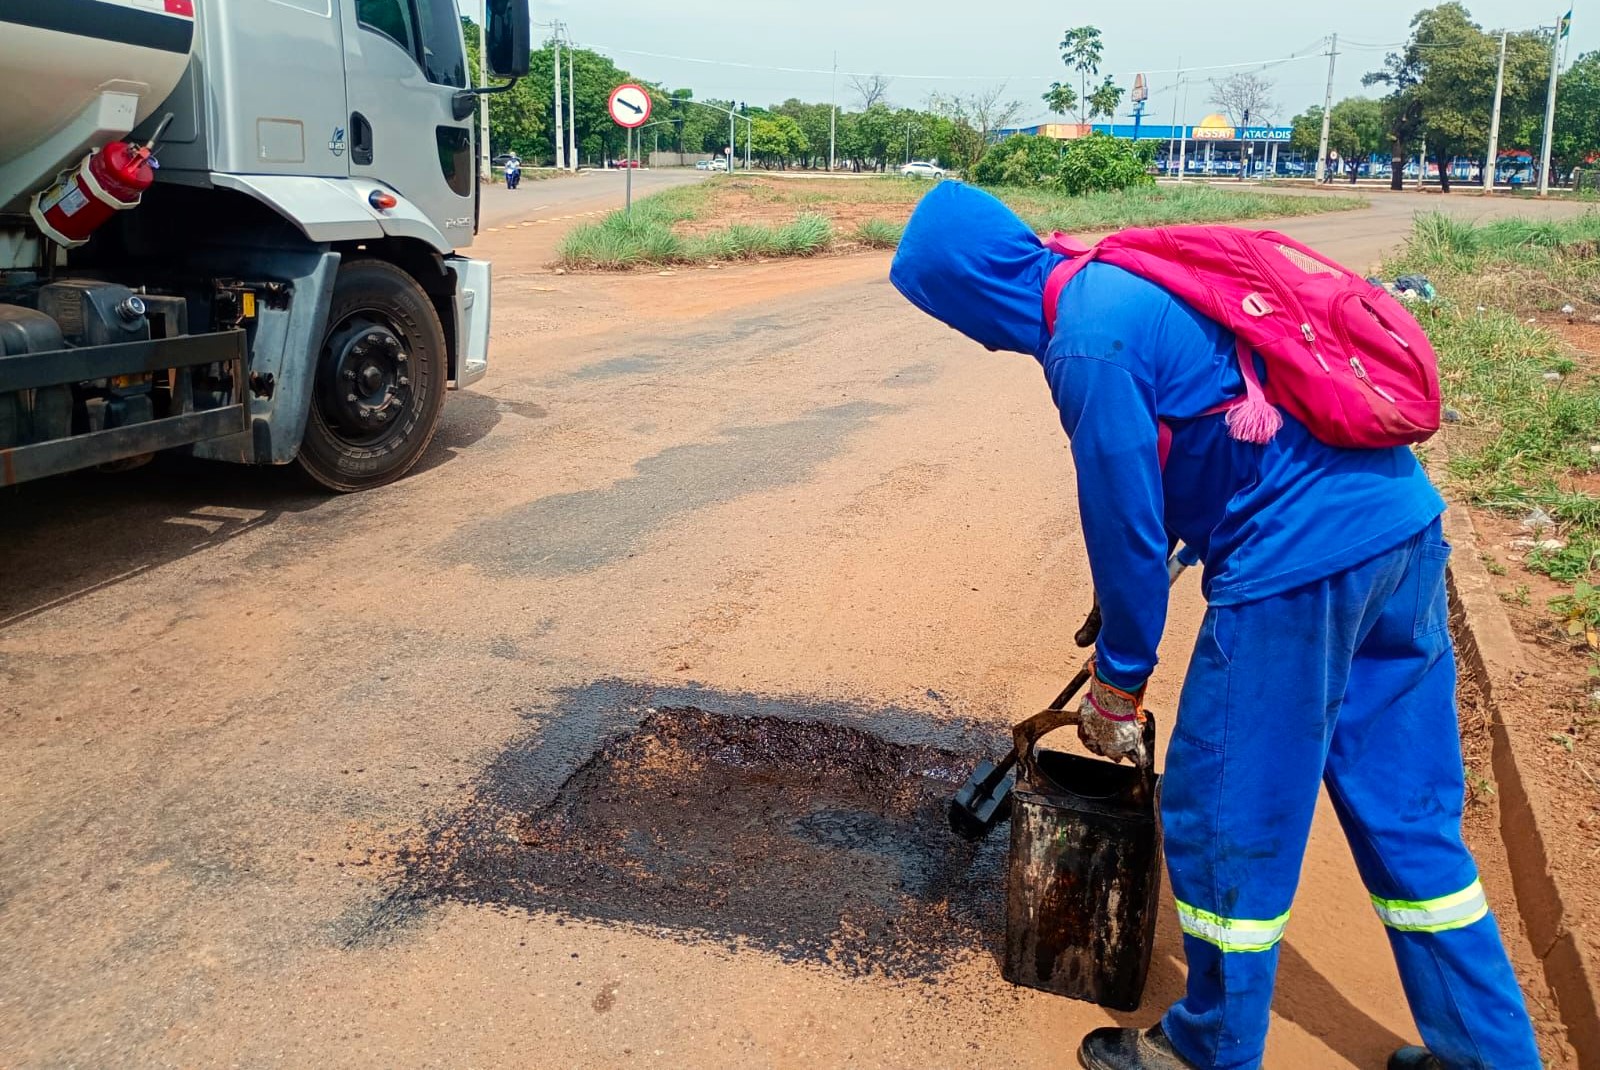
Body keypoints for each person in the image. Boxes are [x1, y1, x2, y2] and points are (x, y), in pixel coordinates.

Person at [889, 182, 1542, 1070]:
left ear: (967, 293)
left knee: (1226, 814)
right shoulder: (1116, 278)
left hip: (1301, 569)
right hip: (1400, 534)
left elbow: (1122, 527)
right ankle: (1490, 1056)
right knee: (1408, 812)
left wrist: (1119, 680)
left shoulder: (1084, 345)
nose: (965, 332)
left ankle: (1211, 1050)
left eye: (944, 310)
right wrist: (1174, 545)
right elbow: (1219, 426)